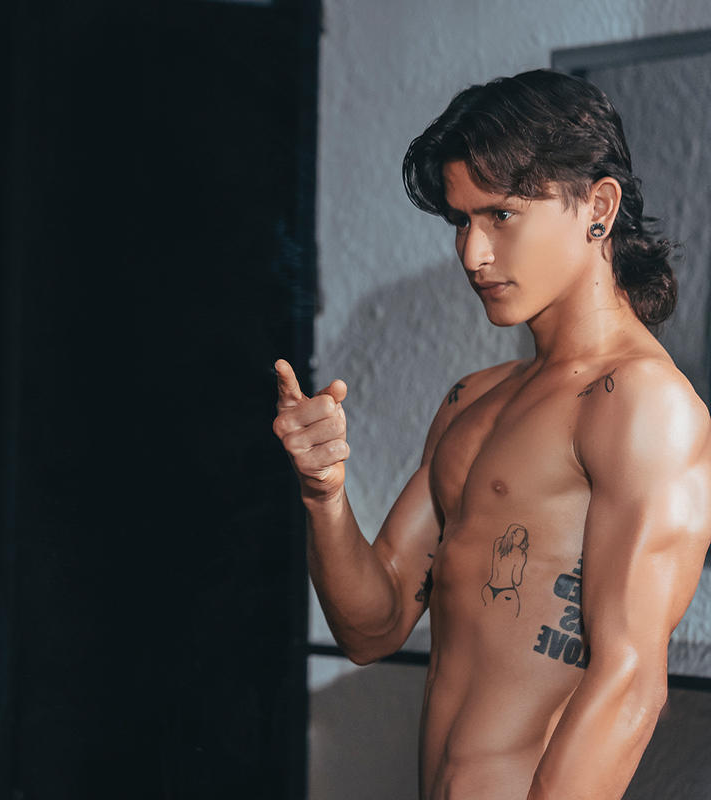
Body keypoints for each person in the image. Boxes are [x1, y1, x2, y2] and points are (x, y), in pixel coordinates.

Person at [273, 69, 711, 800]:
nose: (473, 254)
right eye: (461, 221)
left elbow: (630, 683)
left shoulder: (641, 404)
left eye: (501, 215)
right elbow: (373, 628)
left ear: (598, 208)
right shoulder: (473, 402)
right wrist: (325, 496)